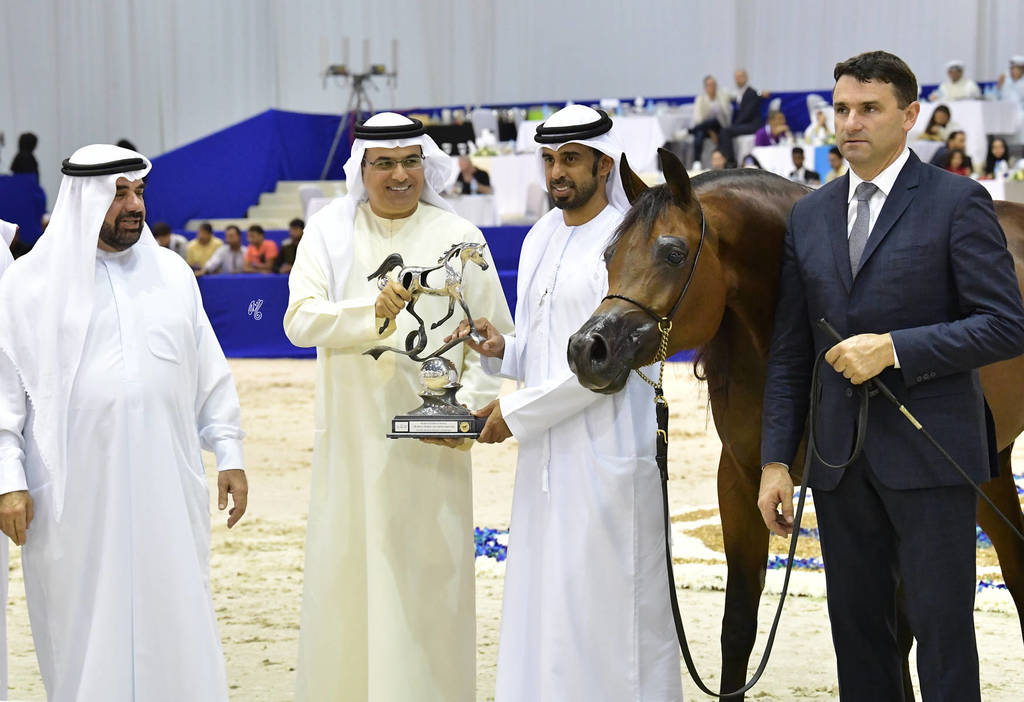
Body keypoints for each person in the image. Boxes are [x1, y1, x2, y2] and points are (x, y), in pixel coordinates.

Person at [759, 51, 1024, 701]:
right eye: (842, 109)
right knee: (858, 638)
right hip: (839, 462)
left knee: (942, 635)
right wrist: (774, 463)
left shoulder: (958, 202)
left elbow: (1005, 325)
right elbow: (792, 352)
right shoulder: (811, 216)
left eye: (869, 109)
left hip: (934, 455)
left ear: (908, 116)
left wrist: (896, 349)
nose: (851, 122)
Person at [0, 143, 249, 701]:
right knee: (85, 626)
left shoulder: (171, 273)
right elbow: (4, 396)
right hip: (74, 501)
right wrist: (8, 481)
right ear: (83, 201)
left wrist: (229, 451)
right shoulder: (28, 285)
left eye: (138, 191)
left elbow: (208, 371)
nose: (134, 205)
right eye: (118, 194)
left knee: (176, 610)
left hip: (167, 483)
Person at [451, 104, 683, 701]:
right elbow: (547, 349)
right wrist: (502, 349)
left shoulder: (629, 238)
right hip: (546, 460)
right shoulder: (538, 237)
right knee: (547, 606)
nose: (557, 172)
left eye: (571, 160)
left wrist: (515, 414)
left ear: (605, 165)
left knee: (610, 613)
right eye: (550, 159)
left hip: (607, 447)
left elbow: (609, 361)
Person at [283, 112, 512, 702]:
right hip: (351, 449)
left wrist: (472, 413)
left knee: (426, 588)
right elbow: (299, 320)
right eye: (384, 163)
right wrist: (373, 311)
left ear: (427, 166)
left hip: (431, 453)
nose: (400, 174)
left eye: (412, 161)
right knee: (348, 583)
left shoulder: (460, 235)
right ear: (362, 169)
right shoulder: (328, 230)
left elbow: (493, 338)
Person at [719, 68, 765, 164]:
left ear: (746, 78)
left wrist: (734, 126)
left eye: (740, 77)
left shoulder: (751, 93)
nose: (738, 79)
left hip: (753, 125)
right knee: (724, 130)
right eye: (736, 77)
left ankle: (730, 161)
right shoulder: (739, 93)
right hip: (746, 123)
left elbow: (747, 114)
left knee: (726, 131)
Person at [691, 74, 733, 167]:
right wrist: (710, 131)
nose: (712, 87)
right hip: (706, 129)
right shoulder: (700, 99)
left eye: (714, 84)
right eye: (710, 85)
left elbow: (736, 95)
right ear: (705, 87)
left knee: (713, 120)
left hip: (721, 126)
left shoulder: (723, 96)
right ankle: (697, 161)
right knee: (699, 134)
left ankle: (690, 131)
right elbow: (698, 119)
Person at [995, 55, 1024, 139]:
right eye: (1011, 68)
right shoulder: (1005, 80)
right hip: (1004, 111)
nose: (1011, 71)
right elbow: (997, 97)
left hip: (1020, 112)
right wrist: (998, 87)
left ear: (1022, 70)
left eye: (1014, 69)